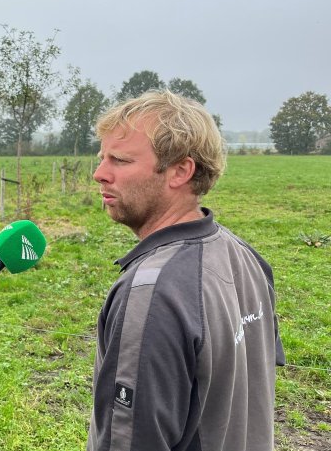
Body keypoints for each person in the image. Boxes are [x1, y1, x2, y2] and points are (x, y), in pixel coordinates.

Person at [87, 90, 285, 451]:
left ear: (180, 170)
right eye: (102, 158)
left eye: (119, 160)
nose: (100, 173)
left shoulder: (151, 295)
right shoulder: (246, 258)